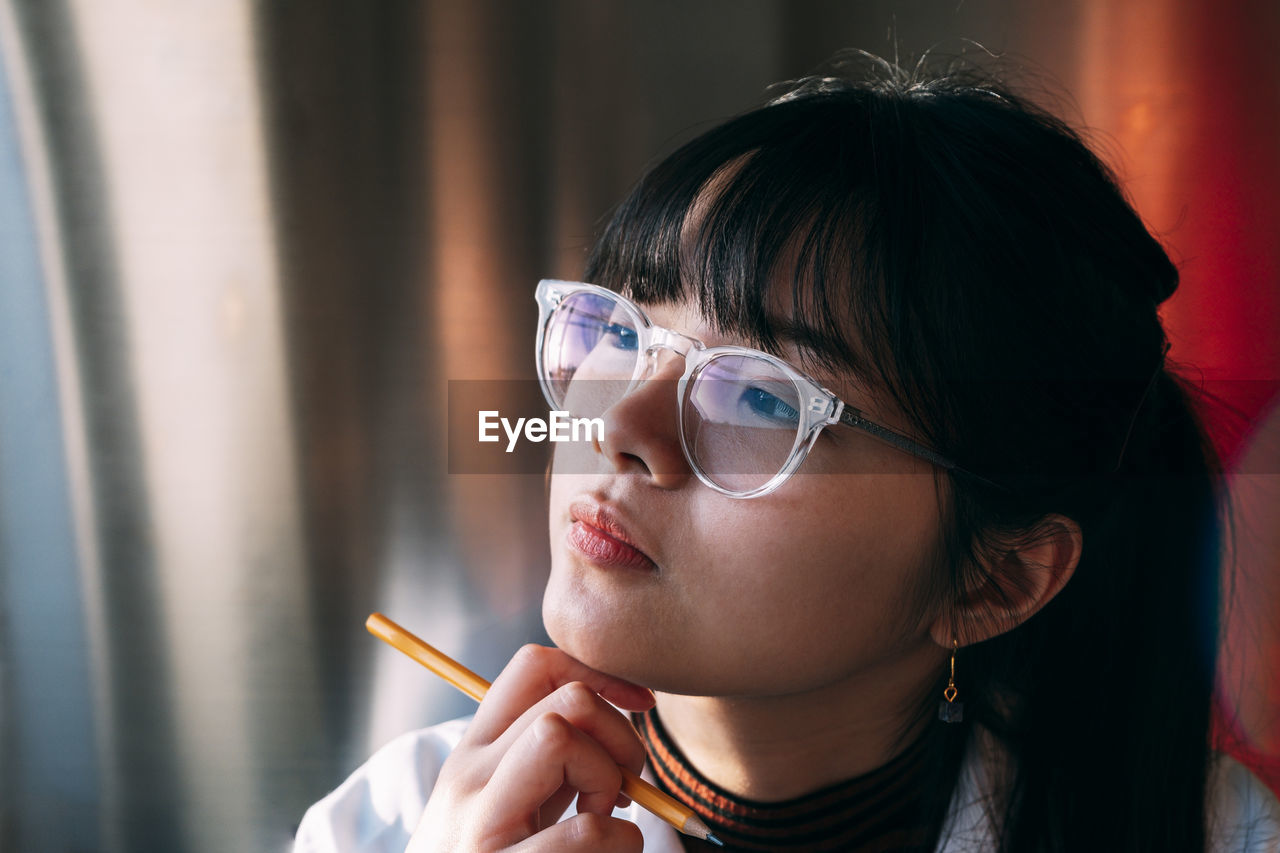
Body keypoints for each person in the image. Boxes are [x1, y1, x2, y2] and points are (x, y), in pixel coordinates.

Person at [295, 56, 1280, 852]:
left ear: (995, 578)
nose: (622, 427)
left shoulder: (1211, 833)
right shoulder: (396, 823)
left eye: (760, 396)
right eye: (621, 335)